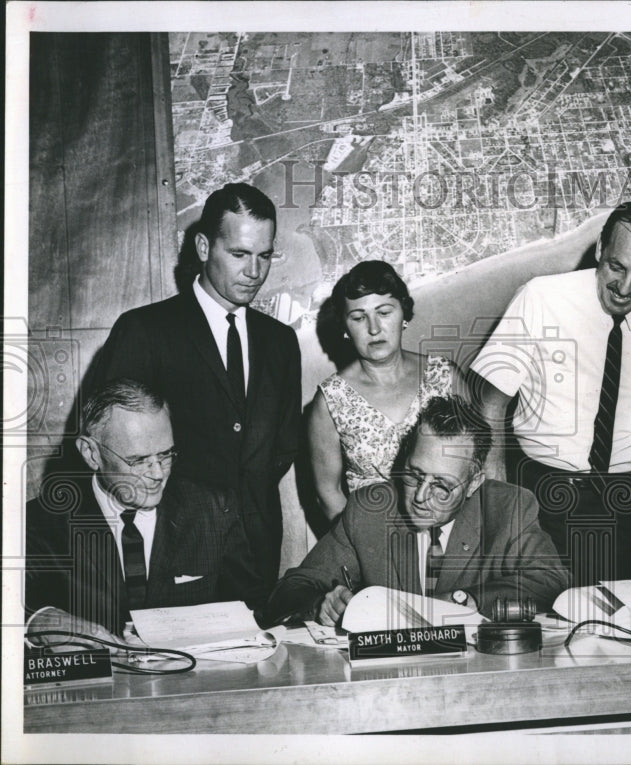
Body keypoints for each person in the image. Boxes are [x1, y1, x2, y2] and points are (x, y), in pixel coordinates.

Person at [470, 200, 631, 585]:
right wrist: (499, 507)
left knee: (619, 624)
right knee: (544, 622)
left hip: (625, 501)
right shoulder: (540, 298)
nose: (625, 288)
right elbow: (491, 405)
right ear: (599, 249)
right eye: (616, 267)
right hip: (541, 493)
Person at [94, 183, 301, 588]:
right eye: (239, 254)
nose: (254, 272)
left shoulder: (280, 341)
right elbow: (112, 446)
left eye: (264, 256)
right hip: (171, 548)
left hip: (257, 549)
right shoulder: (144, 330)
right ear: (204, 248)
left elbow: (283, 446)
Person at [264, 396, 569, 626]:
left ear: (474, 482)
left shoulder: (508, 508)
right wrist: (320, 604)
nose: (421, 497)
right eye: (414, 475)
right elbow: (289, 590)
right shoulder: (368, 511)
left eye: (442, 486)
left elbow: (552, 581)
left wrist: (467, 601)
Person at [25, 379, 266, 646]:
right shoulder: (40, 523)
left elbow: (253, 607)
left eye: (166, 454)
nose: (158, 474)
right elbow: (15, 604)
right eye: (138, 460)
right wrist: (40, 621)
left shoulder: (212, 509)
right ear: (91, 453)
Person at [308, 260, 460, 522]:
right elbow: (328, 494)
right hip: (372, 539)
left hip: (448, 529)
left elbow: (476, 465)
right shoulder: (331, 401)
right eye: (358, 317)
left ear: (404, 315)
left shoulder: (445, 377)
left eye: (384, 312)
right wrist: (365, 550)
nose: (374, 328)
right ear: (345, 328)